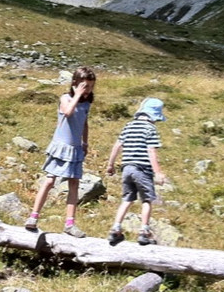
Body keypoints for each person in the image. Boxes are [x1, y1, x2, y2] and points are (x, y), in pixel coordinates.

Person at [24, 66, 96, 237]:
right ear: (75, 84)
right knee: (49, 181)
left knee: (74, 184)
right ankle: (33, 217)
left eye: (91, 87)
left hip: (75, 148)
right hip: (61, 146)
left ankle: (70, 224)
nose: (88, 90)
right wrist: (77, 94)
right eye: (85, 86)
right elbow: (68, 112)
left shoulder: (86, 103)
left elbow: (84, 123)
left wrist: (85, 142)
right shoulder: (65, 98)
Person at [105, 97, 167, 246]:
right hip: (142, 170)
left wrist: (110, 164)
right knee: (146, 200)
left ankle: (116, 228)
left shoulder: (129, 126)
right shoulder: (150, 129)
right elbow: (151, 151)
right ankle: (144, 231)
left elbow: (117, 145)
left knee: (127, 199)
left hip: (126, 168)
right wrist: (157, 172)